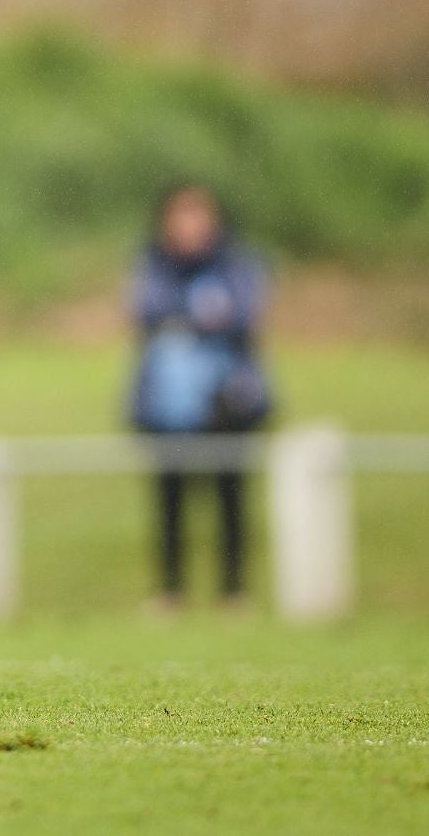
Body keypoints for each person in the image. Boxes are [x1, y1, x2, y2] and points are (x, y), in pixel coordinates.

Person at [129, 183, 272, 611]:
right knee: (169, 497)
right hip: (168, 406)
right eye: (181, 215)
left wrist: (189, 320)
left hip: (226, 401)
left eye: (199, 215)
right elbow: (147, 313)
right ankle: (171, 590)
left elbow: (241, 318)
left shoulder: (237, 265)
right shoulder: (153, 266)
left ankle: (233, 591)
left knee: (230, 495)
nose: (190, 225)